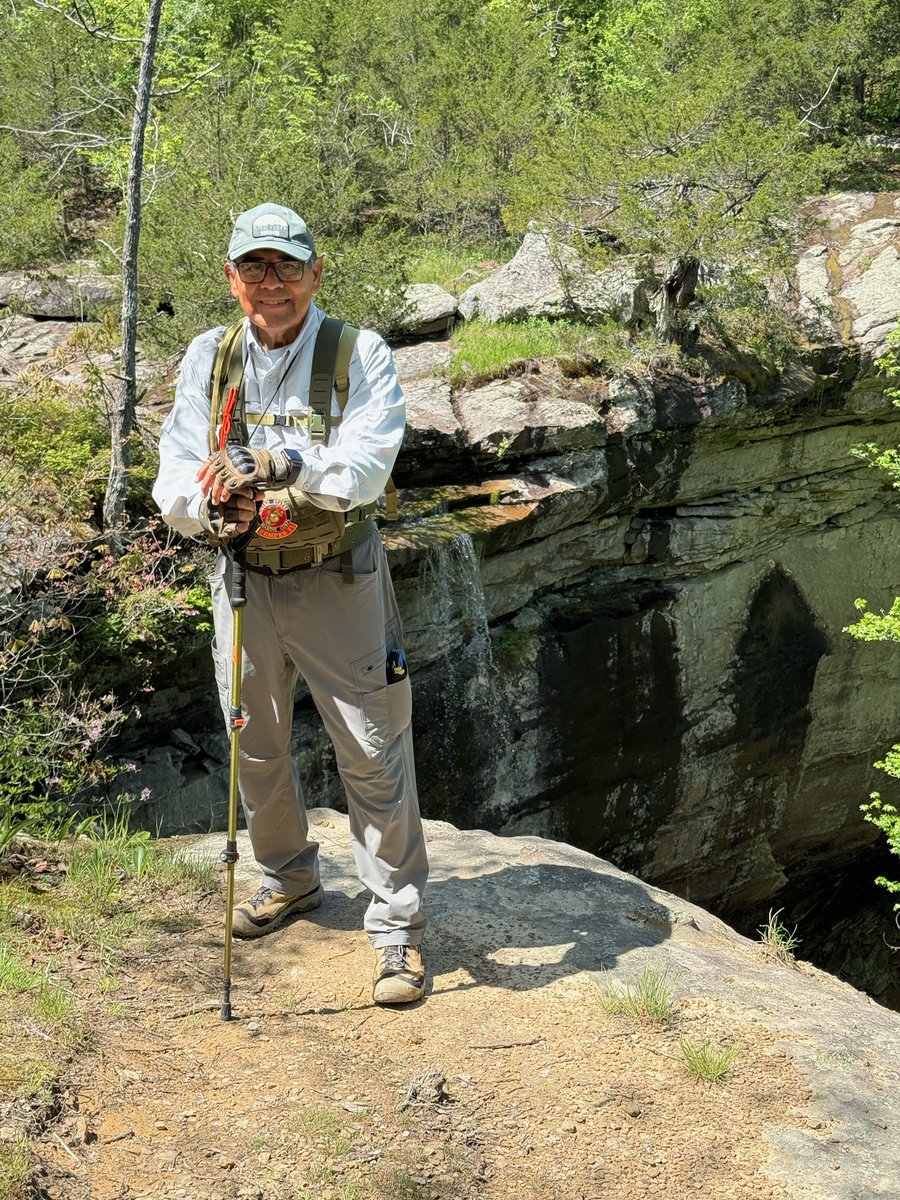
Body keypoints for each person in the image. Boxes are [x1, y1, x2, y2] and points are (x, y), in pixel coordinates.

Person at [152, 202, 428, 1005]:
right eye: (254, 268)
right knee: (256, 744)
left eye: (287, 267)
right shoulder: (211, 354)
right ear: (230, 277)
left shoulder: (358, 353)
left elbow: (367, 466)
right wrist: (207, 510)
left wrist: (278, 462)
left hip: (335, 574)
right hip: (241, 576)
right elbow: (175, 462)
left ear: (315, 273)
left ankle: (399, 931)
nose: (272, 285)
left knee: (372, 749)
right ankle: (287, 878)